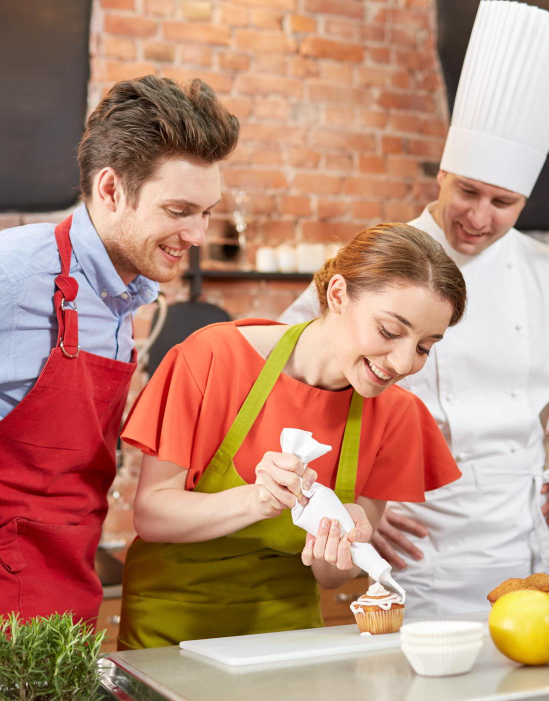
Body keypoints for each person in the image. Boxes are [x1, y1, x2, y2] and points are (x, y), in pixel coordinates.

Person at [0, 76, 238, 664]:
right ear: (112, 189)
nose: (196, 234)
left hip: (63, 617)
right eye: (178, 211)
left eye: (206, 213)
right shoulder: (7, 280)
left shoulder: (124, 295)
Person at [279, 1, 549, 616]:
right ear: (443, 175)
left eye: (503, 202)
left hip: (529, 532)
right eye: (468, 192)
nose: (479, 217)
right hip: (422, 538)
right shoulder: (379, 263)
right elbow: (291, 375)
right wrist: (348, 500)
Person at [117, 223, 466, 648]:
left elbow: (330, 576)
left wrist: (345, 543)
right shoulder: (213, 357)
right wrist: (256, 500)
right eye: (390, 332)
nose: (403, 362)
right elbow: (151, 515)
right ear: (337, 294)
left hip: (286, 636)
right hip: (170, 630)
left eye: (425, 347)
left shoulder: (397, 415)